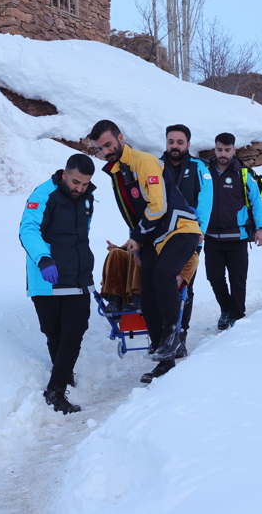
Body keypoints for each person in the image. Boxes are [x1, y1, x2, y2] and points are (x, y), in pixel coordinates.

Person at [88, 120, 201, 382]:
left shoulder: (144, 161)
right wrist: (135, 240)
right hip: (152, 239)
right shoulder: (118, 171)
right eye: (100, 148)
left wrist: (137, 237)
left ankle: (172, 337)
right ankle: (165, 361)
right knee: (147, 298)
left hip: (180, 230)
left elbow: (158, 206)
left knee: (164, 275)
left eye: (108, 144)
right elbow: (133, 214)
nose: (105, 151)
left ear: (120, 137)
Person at [18, 153, 97, 414]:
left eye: (85, 184)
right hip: (47, 277)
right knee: (54, 334)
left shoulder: (86, 198)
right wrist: (43, 259)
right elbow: (28, 229)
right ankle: (63, 373)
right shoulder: (44, 194)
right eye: (76, 182)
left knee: (74, 333)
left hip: (77, 278)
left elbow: (79, 237)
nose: (80, 188)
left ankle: (56, 389)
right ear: (65, 173)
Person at [159, 124, 212, 356]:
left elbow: (206, 202)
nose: (175, 146)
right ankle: (163, 333)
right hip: (161, 238)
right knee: (160, 284)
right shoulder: (156, 166)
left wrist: (200, 231)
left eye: (180, 142)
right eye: (171, 141)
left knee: (183, 286)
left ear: (188, 145)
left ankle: (180, 335)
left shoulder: (200, 168)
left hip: (190, 237)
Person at [204, 132, 262, 330]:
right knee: (214, 278)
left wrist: (260, 229)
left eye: (227, 150)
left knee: (237, 279)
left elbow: (256, 203)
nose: (223, 154)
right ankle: (226, 309)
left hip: (237, 237)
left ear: (234, 150)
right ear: (215, 149)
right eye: (219, 149)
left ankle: (237, 315)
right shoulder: (205, 172)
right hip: (211, 236)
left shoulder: (244, 174)